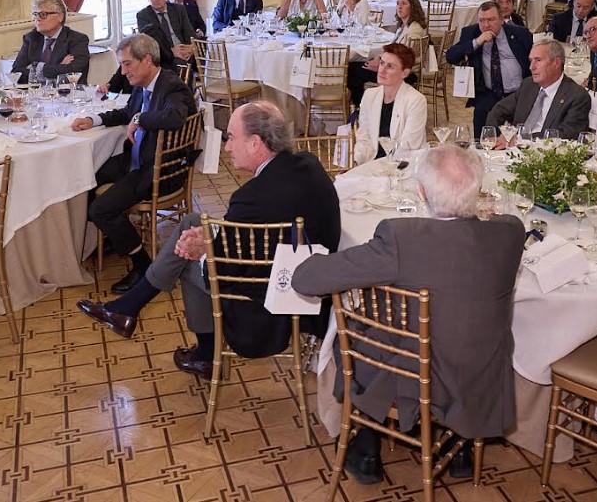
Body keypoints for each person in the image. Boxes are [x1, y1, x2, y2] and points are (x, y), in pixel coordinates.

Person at [291, 144, 524, 485]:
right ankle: (461, 447)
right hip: (480, 371)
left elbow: (306, 279)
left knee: (356, 331)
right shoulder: (511, 232)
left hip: (421, 376)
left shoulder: (401, 238)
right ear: (478, 191)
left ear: (422, 192)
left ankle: (367, 445)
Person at [76, 102, 341, 372]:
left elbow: (222, 268)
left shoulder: (251, 198)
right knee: (192, 222)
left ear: (256, 143)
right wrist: (204, 242)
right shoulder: (308, 164)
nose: (227, 147)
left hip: (274, 307)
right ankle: (128, 308)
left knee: (188, 261)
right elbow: (259, 236)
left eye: (232, 137)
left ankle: (204, 353)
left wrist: (200, 252)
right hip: (305, 278)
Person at [70, 33, 194, 292]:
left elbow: (174, 117)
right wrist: (95, 120)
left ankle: (142, 265)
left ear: (147, 59)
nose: (123, 72)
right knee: (87, 176)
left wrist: (140, 118)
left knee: (99, 209)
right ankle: (117, 235)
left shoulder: (171, 85)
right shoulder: (144, 84)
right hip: (137, 159)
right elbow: (127, 113)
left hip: (159, 169)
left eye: (127, 64)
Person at [445, 1, 533, 137]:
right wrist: (477, 42)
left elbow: (533, 60)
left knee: (520, 134)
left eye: (491, 20)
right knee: (482, 124)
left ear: (502, 19)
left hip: (517, 94)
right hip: (489, 93)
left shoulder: (520, 34)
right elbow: (451, 57)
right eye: (482, 20)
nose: (486, 25)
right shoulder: (472, 33)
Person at [486, 40, 591, 140]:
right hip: (512, 151)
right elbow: (498, 111)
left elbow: (566, 135)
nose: (531, 67)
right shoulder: (529, 85)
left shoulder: (577, 96)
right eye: (531, 61)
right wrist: (496, 137)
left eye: (538, 60)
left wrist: (520, 140)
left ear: (556, 62)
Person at [347, 0, 427, 105]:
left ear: (413, 7)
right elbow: (393, 50)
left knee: (351, 70)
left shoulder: (415, 29)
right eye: (398, 3)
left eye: (404, 4)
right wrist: (379, 59)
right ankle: (362, 107)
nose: (399, 7)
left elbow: (405, 56)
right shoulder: (404, 26)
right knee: (354, 74)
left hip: (401, 73)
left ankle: (361, 107)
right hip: (392, 68)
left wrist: (380, 64)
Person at [354, 44, 428, 164]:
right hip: (371, 162)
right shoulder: (369, 95)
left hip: (402, 165)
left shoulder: (416, 101)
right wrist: (356, 161)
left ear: (404, 73)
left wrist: (382, 168)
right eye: (382, 63)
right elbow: (364, 138)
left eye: (390, 67)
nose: (382, 70)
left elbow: (408, 145)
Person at [11, 0, 91, 84]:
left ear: (60, 17)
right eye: (35, 14)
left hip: (69, 95)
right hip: (36, 95)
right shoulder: (31, 38)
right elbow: (16, 73)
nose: (37, 19)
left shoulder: (77, 39)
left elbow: (73, 73)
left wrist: (37, 68)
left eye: (43, 14)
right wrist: (59, 66)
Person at [136, 0, 196, 67]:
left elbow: (189, 32)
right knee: (180, 65)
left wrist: (191, 48)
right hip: (164, 55)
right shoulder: (143, 15)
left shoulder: (179, 10)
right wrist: (171, 52)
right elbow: (149, 45)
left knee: (207, 58)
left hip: (184, 49)